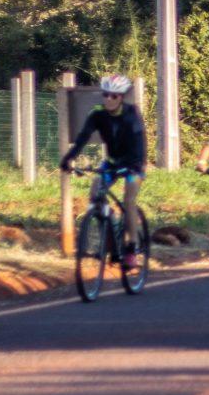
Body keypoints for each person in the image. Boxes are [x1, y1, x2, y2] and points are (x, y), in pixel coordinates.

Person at [60, 75, 148, 273]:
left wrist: (137, 166)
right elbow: (83, 137)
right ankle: (111, 232)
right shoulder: (97, 113)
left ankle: (132, 247)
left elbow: (140, 142)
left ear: (121, 97)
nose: (108, 99)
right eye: (105, 94)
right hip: (111, 162)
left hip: (133, 164)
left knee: (128, 199)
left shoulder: (131, 113)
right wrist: (69, 158)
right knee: (95, 195)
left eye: (114, 96)